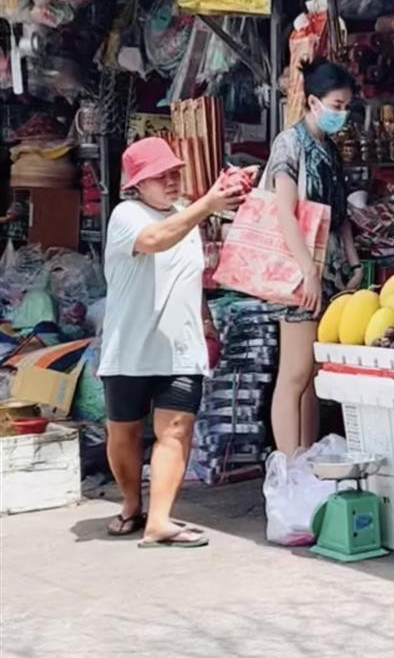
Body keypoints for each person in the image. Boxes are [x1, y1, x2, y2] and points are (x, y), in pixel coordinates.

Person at [98, 137, 244, 548]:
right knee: (123, 433)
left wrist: (205, 320)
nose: (170, 181)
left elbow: (188, 276)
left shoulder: (186, 213)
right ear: (137, 183)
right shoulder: (127, 215)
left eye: (174, 174)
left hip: (181, 348)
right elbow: (156, 240)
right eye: (159, 176)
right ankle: (131, 503)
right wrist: (207, 205)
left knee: (176, 431)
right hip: (130, 349)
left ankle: (159, 519)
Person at [264, 59, 362, 456]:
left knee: (313, 375)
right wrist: (307, 270)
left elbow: (341, 218)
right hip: (298, 272)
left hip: (330, 272)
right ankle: (289, 467)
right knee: (295, 373)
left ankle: (306, 456)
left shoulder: (329, 150)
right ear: (312, 101)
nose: (342, 113)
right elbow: (284, 212)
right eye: (336, 105)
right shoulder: (288, 144)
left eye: (346, 107)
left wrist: (354, 264)